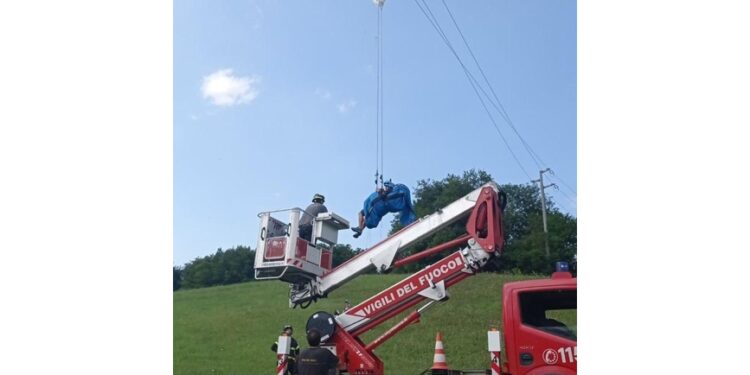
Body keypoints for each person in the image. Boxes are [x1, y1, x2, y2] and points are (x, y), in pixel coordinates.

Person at [351, 181, 416, 238]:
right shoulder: (388, 193)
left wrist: (379, 191)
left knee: (362, 214)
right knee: (366, 217)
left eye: (386, 187)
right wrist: (379, 192)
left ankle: (360, 228)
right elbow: (382, 195)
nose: (385, 188)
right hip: (377, 208)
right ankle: (360, 230)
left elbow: (383, 195)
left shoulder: (387, 193)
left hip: (376, 209)